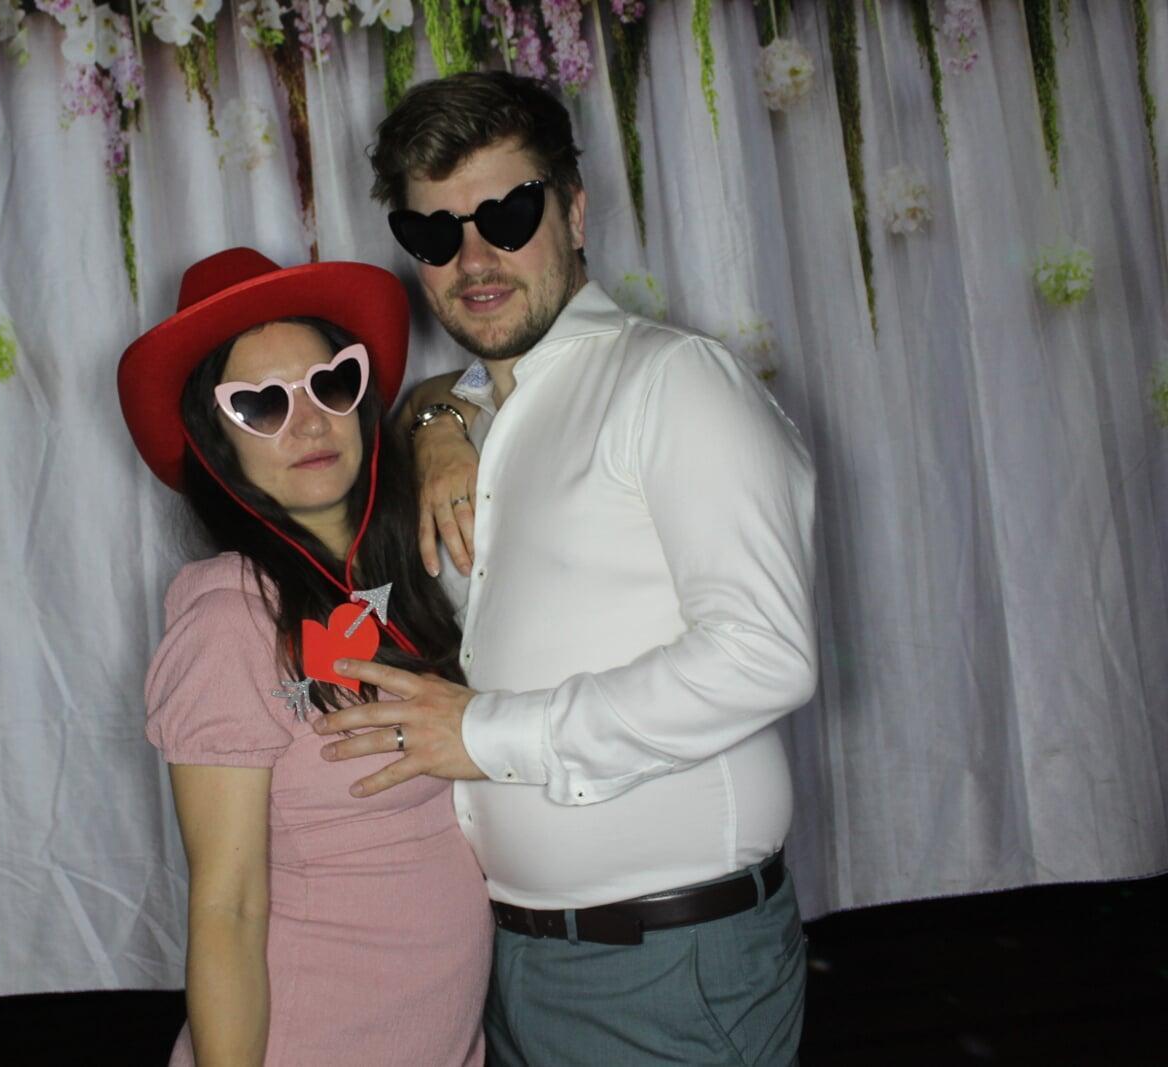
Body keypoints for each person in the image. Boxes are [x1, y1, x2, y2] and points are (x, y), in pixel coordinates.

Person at [312, 72, 819, 1065]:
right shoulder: (472, 412)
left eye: (506, 215)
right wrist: (434, 414)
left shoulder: (672, 381)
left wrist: (482, 733)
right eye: (434, 233)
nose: (474, 259)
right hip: (502, 961)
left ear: (575, 212)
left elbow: (763, 655)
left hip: (666, 963)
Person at [117, 247, 491, 1065]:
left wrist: (437, 424)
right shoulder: (229, 617)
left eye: (331, 383)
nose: (311, 421)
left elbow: (494, 379)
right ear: (216, 440)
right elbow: (227, 911)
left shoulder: (396, 575)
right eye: (261, 404)